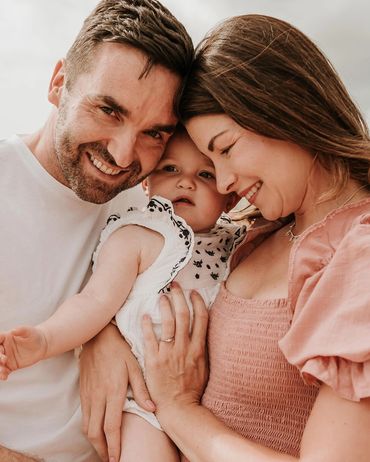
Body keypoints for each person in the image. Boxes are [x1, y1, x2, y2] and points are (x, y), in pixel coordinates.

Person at [136, 14, 370, 462]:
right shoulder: (260, 231)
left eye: (225, 148)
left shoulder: (358, 255)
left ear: (287, 109)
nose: (222, 182)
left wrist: (179, 411)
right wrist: (102, 345)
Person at [0, 0, 193, 460]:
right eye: (109, 110)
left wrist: (103, 330)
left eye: (154, 133)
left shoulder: (148, 206)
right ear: (58, 83)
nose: (124, 155)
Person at [0, 127, 244, 462]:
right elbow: (94, 301)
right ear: (146, 183)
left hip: (216, 397)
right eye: (170, 169)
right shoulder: (139, 235)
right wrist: (44, 340)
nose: (186, 182)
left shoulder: (238, 242)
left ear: (230, 195)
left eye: (204, 174)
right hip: (146, 400)